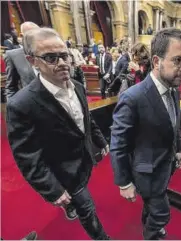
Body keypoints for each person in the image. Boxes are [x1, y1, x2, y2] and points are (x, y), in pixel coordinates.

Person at [6, 28, 110, 240]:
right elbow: (27, 156)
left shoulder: (79, 87)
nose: (62, 62)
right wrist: (52, 190)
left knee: (86, 197)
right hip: (64, 171)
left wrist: (100, 140)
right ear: (32, 61)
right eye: (51, 58)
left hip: (84, 159)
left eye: (65, 55)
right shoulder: (22, 104)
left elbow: (86, 120)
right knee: (87, 209)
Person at [110, 28, 181, 240]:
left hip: (166, 165)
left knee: (152, 206)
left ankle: (149, 225)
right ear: (156, 61)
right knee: (161, 213)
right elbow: (118, 143)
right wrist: (124, 182)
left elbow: (172, 124)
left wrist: (179, 150)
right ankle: (152, 235)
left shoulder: (173, 89)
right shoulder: (133, 97)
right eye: (178, 61)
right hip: (146, 171)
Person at [5, 22, 40, 100]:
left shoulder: (49, 52)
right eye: (32, 35)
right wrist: (12, 107)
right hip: (31, 104)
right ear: (22, 35)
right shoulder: (13, 55)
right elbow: (11, 87)